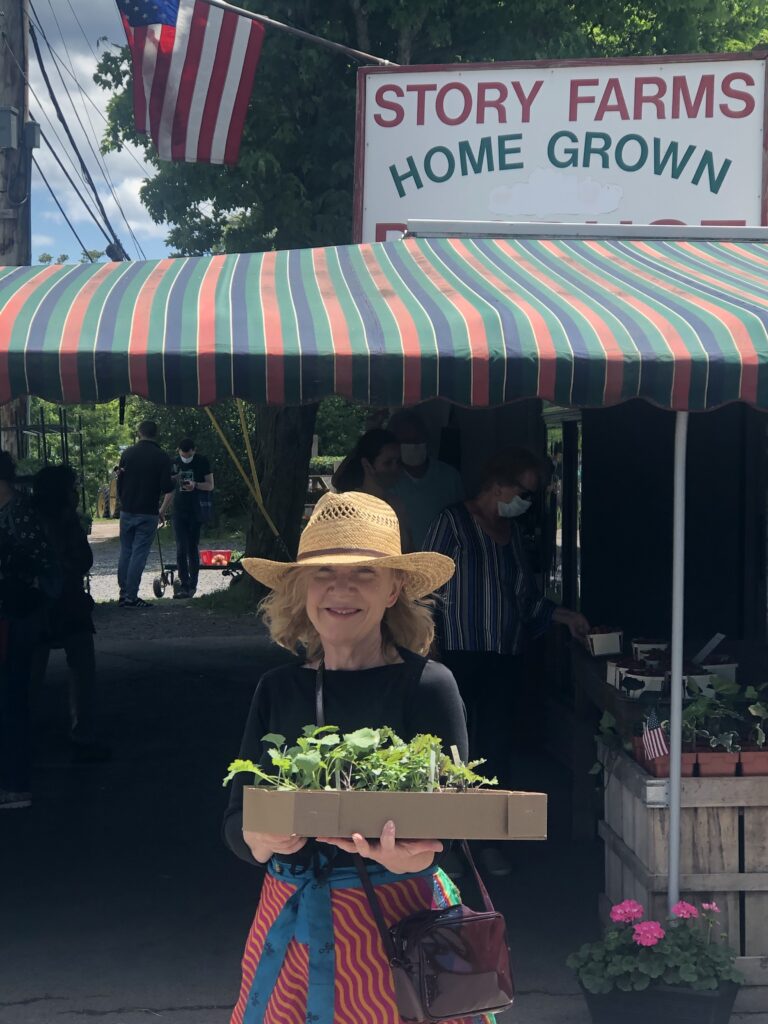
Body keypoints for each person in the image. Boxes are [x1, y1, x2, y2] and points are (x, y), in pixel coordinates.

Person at [223, 491, 492, 1024]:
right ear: (302, 589)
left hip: (402, 922)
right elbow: (236, 819)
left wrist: (414, 857)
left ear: (395, 590)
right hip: (293, 927)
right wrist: (257, 840)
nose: (340, 589)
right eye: (323, 573)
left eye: (364, 574)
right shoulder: (278, 690)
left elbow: (460, 829)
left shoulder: (428, 686)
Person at [423, 447, 590, 877]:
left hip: (504, 654)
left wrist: (564, 616)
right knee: (450, 750)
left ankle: (488, 843)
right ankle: (446, 845)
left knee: (495, 750)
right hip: (457, 654)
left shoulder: (510, 533)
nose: (527, 502)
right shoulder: (452, 522)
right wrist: (427, 646)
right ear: (497, 485)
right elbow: (424, 588)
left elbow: (524, 598)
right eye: (523, 492)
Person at [30, 465, 110, 764]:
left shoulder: (30, 517)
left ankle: (24, 732)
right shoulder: (66, 520)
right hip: (64, 602)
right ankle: (82, 732)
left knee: (31, 669)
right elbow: (82, 560)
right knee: (80, 668)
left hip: (41, 602)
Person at [0, 452, 58, 810]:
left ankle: (16, 782)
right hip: (11, 614)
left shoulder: (18, 513)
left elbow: (41, 563)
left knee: (11, 699)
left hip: (16, 616)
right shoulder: (11, 511)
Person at [116, 421, 174, 608]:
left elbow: (119, 481)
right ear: (156, 434)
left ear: (139, 432)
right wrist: (162, 509)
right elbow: (167, 487)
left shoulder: (127, 454)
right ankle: (132, 597)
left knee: (125, 551)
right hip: (147, 511)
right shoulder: (162, 457)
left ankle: (123, 593)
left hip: (127, 510)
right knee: (139, 554)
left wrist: (122, 502)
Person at [388, 409, 465, 549]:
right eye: (406, 441)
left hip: (444, 559)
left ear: (427, 439)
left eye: (418, 440)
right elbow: (342, 481)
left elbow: (462, 521)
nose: (413, 445)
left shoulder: (449, 476)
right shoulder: (388, 479)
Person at [331, 428, 412, 549]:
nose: (395, 468)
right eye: (388, 463)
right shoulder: (349, 508)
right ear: (367, 465)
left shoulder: (397, 505)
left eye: (398, 462)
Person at [170, 438, 214, 599]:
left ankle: (193, 584)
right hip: (179, 509)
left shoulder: (202, 461)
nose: (186, 457)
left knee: (192, 547)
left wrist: (195, 485)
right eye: (183, 454)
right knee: (181, 547)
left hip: (196, 509)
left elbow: (210, 485)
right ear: (178, 451)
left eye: (188, 454)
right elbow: (168, 487)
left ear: (194, 450)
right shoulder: (174, 463)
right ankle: (184, 583)